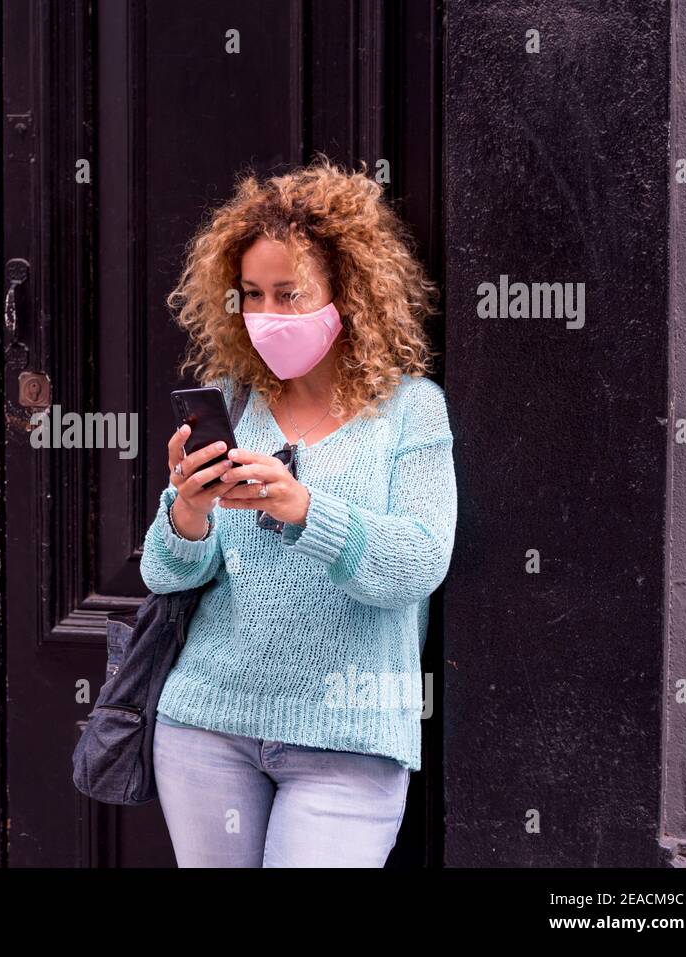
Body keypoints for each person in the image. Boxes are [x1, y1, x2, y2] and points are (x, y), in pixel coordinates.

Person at [142, 155, 457, 867]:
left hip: (347, 742)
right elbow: (167, 575)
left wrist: (306, 510)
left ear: (346, 292)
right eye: (252, 294)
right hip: (207, 727)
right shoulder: (234, 402)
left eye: (290, 294)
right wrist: (187, 509)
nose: (267, 315)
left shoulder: (411, 411)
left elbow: (418, 561)